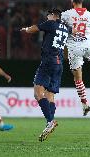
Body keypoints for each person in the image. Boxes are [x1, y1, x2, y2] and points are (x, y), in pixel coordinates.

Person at [20, 8, 69, 142]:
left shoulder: (51, 23)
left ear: (53, 15)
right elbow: (74, 32)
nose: (46, 17)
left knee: (38, 93)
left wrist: (25, 29)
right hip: (59, 64)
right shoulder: (66, 28)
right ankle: (49, 123)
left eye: (48, 15)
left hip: (48, 62)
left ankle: (50, 121)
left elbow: (33, 29)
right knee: (50, 95)